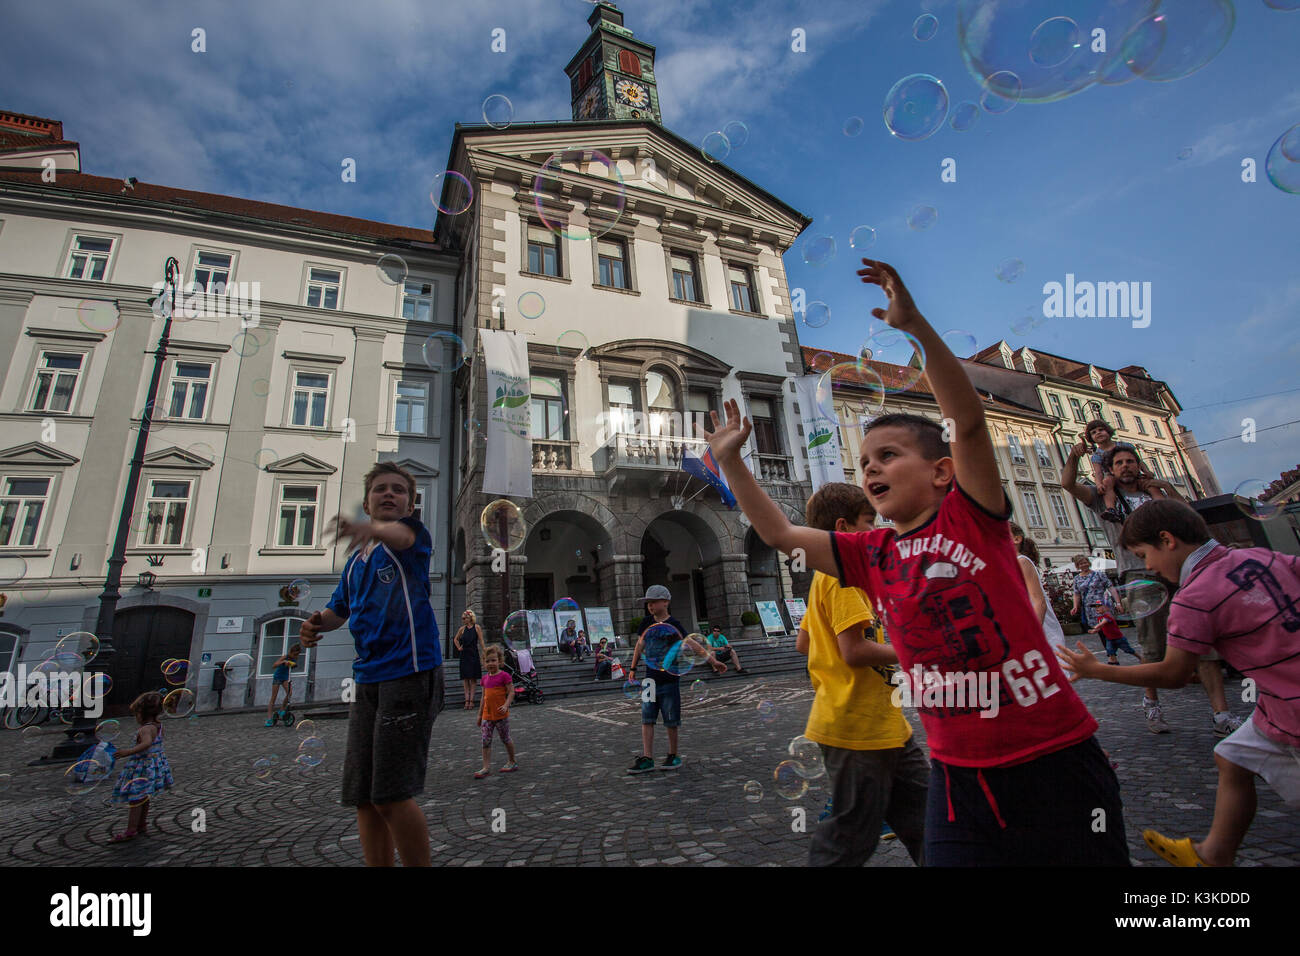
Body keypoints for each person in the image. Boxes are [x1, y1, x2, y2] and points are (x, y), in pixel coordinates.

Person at [702, 258, 1127, 865]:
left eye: (889, 454)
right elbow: (778, 532)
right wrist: (732, 463)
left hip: (1051, 754)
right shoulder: (869, 553)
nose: (870, 466)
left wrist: (917, 328)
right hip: (957, 773)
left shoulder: (973, 519)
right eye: (866, 459)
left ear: (941, 471)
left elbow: (970, 425)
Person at [1056, 499, 1299, 866]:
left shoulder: (1194, 597)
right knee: (1232, 756)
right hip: (1276, 700)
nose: (1148, 566)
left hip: (1290, 706)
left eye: (1144, 554)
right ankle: (1214, 853)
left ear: (1167, 540)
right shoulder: (1263, 557)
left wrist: (1098, 670)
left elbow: (1174, 674)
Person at [298, 461, 444, 867]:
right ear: (367, 500)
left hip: (410, 674)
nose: (390, 494)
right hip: (369, 678)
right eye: (381, 489)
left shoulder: (412, 538)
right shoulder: (355, 562)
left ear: (411, 504)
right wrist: (314, 626)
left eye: (399, 490)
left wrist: (372, 529)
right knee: (364, 796)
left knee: (392, 795)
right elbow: (338, 611)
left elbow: (397, 535)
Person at [1063, 439, 1241, 737]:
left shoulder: (1155, 493)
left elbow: (1192, 521)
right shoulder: (1104, 496)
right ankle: (1152, 702)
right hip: (1138, 572)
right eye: (1118, 463)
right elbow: (1068, 484)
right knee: (1151, 643)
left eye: (1129, 461)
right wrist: (1072, 456)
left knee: (1204, 643)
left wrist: (1168, 488)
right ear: (1110, 470)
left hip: (1181, 572)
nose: (1125, 467)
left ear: (1138, 465)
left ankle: (1221, 714)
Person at [799, 481, 927, 866]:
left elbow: (804, 643)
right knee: (847, 840)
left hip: (880, 723)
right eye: (869, 521)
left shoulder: (826, 575)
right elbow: (853, 650)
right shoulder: (843, 575)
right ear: (845, 528)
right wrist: (917, 652)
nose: (876, 529)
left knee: (930, 821)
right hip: (858, 726)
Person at [625, 585, 726, 774]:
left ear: (666, 602)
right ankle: (647, 757)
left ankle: (673, 755)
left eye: (653, 602)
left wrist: (713, 661)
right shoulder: (646, 623)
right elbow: (640, 646)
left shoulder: (674, 625)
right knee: (647, 719)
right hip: (650, 678)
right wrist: (632, 668)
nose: (650, 606)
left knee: (671, 720)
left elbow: (693, 644)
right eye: (648, 603)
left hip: (669, 678)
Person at [110, 691, 174, 842]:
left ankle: (131, 829)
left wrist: (127, 752)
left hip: (142, 766)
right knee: (144, 797)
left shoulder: (146, 729)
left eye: (136, 713)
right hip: (154, 765)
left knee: (135, 798)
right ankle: (141, 824)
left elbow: (146, 744)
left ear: (142, 713)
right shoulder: (159, 726)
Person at [1080, 419, 1158, 521]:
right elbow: (1098, 473)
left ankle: (1160, 504)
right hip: (1112, 477)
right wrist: (1099, 484)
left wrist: (1146, 471)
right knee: (1107, 481)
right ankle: (1111, 509)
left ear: (1109, 432)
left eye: (1101, 430)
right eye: (1094, 432)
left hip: (1132, 474)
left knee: (1150, 485)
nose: (1098, 433)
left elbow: (1139, 461)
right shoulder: (1097, 455)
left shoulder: (1124, 445)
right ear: (1091, 438)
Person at [1010, 522, 1066, 650]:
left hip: (1041, 629)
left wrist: (1034, 634)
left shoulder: (1022, 561)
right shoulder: (1009, 564)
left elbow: (1039, 602)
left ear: (1017, 539)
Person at [476, 645, 518, 778]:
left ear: (500, 661)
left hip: (500, 715)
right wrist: (479, 715)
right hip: (487, 715)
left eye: (493, 660)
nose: (490, 663)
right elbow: (483, 697)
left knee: (505, 738)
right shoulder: (484, 679)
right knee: (485, 741)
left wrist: (506, 705)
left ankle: (512, 761)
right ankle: (486, 767)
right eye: (487, 661)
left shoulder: (504, 676)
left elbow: (511, 691)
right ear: (484, 663)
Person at [1070, 555, 1119, 632]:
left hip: (1102, 605)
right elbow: (1076, 594)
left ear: (1088, 563)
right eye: (1081, 564)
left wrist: (1118, 602)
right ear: (1077, 566)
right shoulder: (1077, 579)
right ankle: (1107, 644)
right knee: (1098, 629)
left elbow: (1111, 587)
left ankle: (1114, 643)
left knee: (1109, 629)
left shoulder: (1099, 574)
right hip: (1090, 608)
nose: (1084, 565)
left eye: (1085, 562)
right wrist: (1075, 606)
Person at [453, 609, 484, 711]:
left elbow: (481, 641)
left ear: (470, 618)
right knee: (466, 678)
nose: (463, 620)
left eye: (464, 618)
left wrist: (485, 652)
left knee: (473, 678)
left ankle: (471, 700)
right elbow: (455, 639)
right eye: (462, 618)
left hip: (473, 653)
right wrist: (458, 647)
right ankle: (467, 700)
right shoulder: (462, 629)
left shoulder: (477, 627)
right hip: (464, 654)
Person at [265, 644, 301, 726]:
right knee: (273, 698)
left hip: (285, 678)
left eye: (297, 654)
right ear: (291, 652)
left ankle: (282, 709)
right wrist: (283, 662)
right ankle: (269, 718)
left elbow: (294, 666)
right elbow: (274, 665)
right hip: (277, 677)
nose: (295, 656)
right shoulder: (285, 657)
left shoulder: (295, 659)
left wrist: (293, 665)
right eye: (294, 654)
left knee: (289, 693)